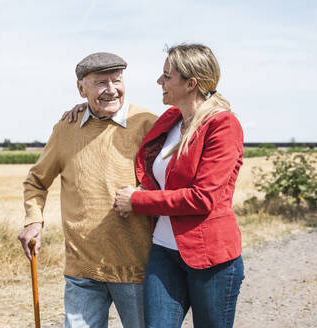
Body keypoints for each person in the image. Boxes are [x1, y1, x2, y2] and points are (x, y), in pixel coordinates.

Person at [18, 52, 157, 328]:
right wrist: (34, 220)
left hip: (135, 265)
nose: (111, 89)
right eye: (100, 83)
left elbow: (171, 180)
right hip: (82, 268)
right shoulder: (66, 128)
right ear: (81, 88)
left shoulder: (148, 123)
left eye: (116, 80)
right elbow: (36, 180)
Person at [112, 44, 245, 328]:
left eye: (166, 76)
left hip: (211, 258)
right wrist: (82, 106)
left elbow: (203, 198)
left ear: (191, 83)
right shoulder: (171, 120)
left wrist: (137, 201)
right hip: (163, 252)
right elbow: (117, 117)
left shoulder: (223, 125)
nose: (159, 82)